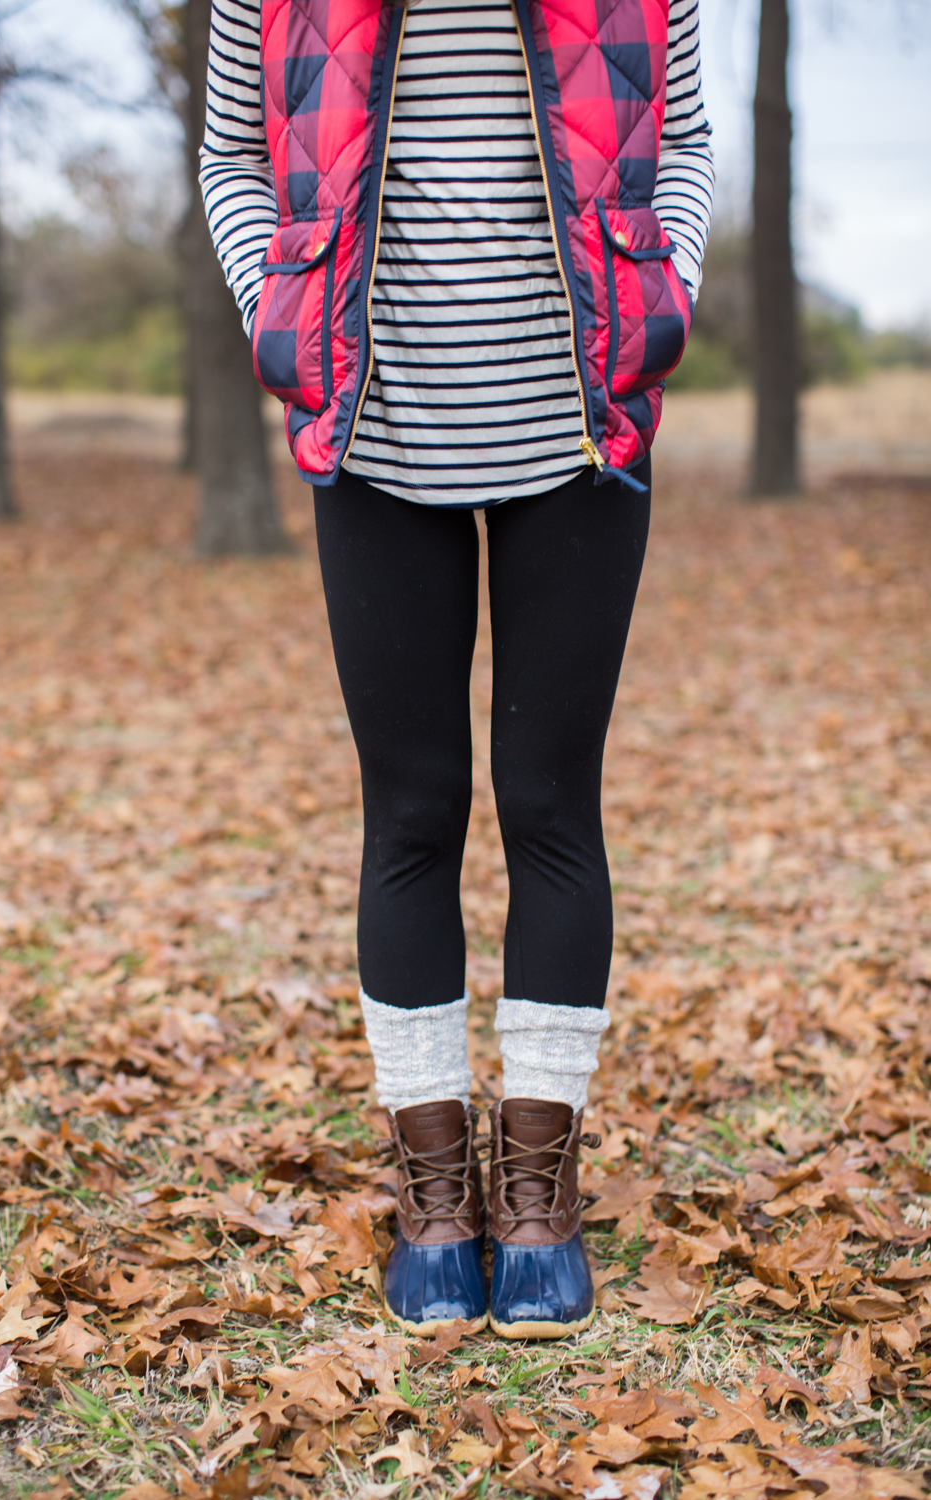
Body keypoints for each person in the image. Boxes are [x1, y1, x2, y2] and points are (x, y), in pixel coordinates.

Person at [201, 0, 713, 1340]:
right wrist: (280, 315)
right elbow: (232, 157)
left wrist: (668, 302)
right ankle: (437, 1201)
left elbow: (691, 142)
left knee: (551, 805)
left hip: (583, 424)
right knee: (413, 813)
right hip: (371, 429)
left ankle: (537, 1196)